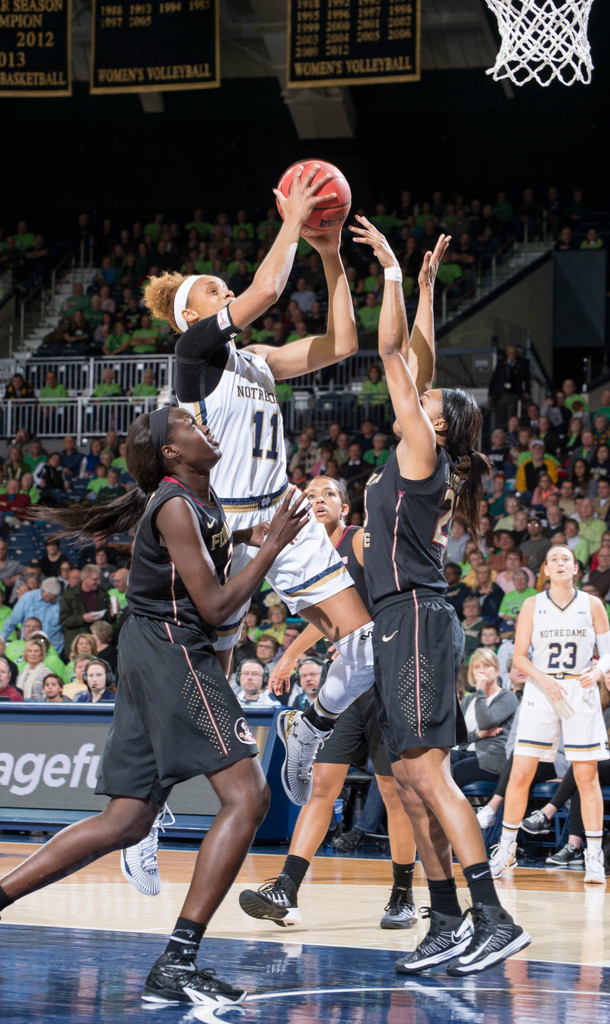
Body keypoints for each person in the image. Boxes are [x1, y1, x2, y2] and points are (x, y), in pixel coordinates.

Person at [0, 405, 310, 1005]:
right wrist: (271, 546)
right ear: (171, 452)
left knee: (127, 820)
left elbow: (207, 545)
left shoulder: (197, 498)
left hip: (150, 649)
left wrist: (246, 536)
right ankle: (179, 961)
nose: (206, 429)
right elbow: (218, 608)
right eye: (191, 427)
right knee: (248, 796)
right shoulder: (172, 504)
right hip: (171, 647)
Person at [142, 167, 378, 815]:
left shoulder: (260, 359)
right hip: (226, 530)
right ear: (193, 314)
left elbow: (345, 343)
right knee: (211, 680)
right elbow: (270, 284)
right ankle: (154, 795)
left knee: (364, 644)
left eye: (227, 287)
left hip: (282, 513)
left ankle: (312, 727)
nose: (228, 293)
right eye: (216, 290)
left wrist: (331, 258)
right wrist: (293, 219)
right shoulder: (193, 353)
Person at [336, 215, 530, 975]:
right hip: (402, 620)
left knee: (428, 773)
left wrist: (386, 269)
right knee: (410, 780)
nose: (419, 394)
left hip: (414, 616)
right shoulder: (416, 450)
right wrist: (422, 290)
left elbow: (392, 356)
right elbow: (416, 359)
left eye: (432, 398)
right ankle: (447, 917)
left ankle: (493, 915)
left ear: (439, 422)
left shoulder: (422, 452)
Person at [240, 474, 417, 930]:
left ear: (345, 507)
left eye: (329, 494)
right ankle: (286, 888)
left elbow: (366, 606)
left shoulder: (357, 542)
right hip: (350, 688)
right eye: (311, 495)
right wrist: (289, 657)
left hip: (383, 683)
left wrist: (290, 655)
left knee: (395, 795)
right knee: (321, 788)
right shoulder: (304, 555)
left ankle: (403, 895)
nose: (318, 500)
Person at [490, 545, 610, 886]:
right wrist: (543, 679)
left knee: (587, 778)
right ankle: (506, 849)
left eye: (566, 559)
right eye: (553, 559)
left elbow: (607, 655)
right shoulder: (532, 605)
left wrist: (598, 673)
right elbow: (520, 659)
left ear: (575, 570)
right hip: (542, 692)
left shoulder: (593, 605)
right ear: (545, 569)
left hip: (580, 691)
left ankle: (594, 857)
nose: (559, 562)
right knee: (520, 772)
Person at [451, 650, 518, 788]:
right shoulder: (468, 700)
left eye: (487, 666)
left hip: (489, 759)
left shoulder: (507, 697)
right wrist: (480, 735)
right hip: (463, 752)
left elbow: (486, 722)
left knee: (453, 772)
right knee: (435, 765)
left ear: (497, 670)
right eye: (477, 667)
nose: (481, 671)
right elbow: (456, 735)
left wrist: (480, 691)